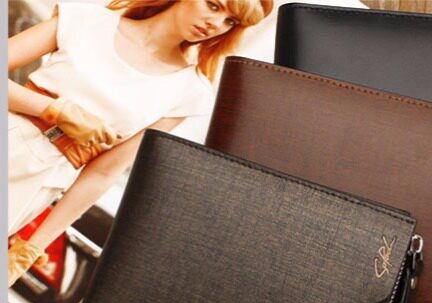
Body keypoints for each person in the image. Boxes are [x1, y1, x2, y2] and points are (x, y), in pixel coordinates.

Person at [8, 0, 273, 286]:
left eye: (230, 22)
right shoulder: (87, 21)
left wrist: (32, 247)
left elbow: (103, 173)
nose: (216, 24)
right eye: (213, 5)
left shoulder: (190, 92)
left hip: (38, 182)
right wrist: (53, 111)